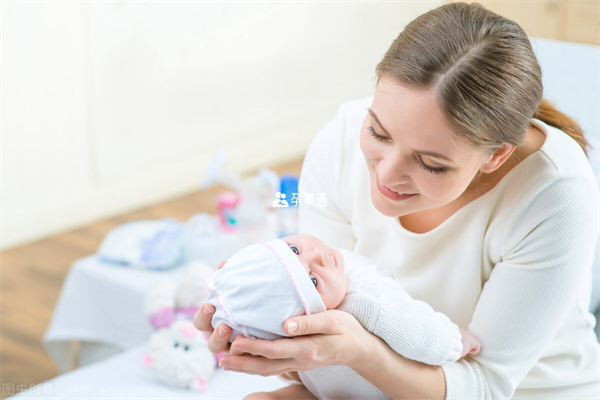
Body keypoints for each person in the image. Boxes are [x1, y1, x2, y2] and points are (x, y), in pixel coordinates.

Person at [194, 2, 600, 399]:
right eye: (379, 133)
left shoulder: (556, 196)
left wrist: (361, 352)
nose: (386, 176)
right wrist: (261, 325)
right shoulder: (338, 144)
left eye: (430, 164)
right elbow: (320, 312)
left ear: (496, 156)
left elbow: (484, 386)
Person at [205, 233, 480, 399]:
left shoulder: (368, 297)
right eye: (312, 281)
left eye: (294, 249)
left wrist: (454, 342)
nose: (319, 256)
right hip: (322, 392)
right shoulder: (358, 298)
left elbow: (419, 329)